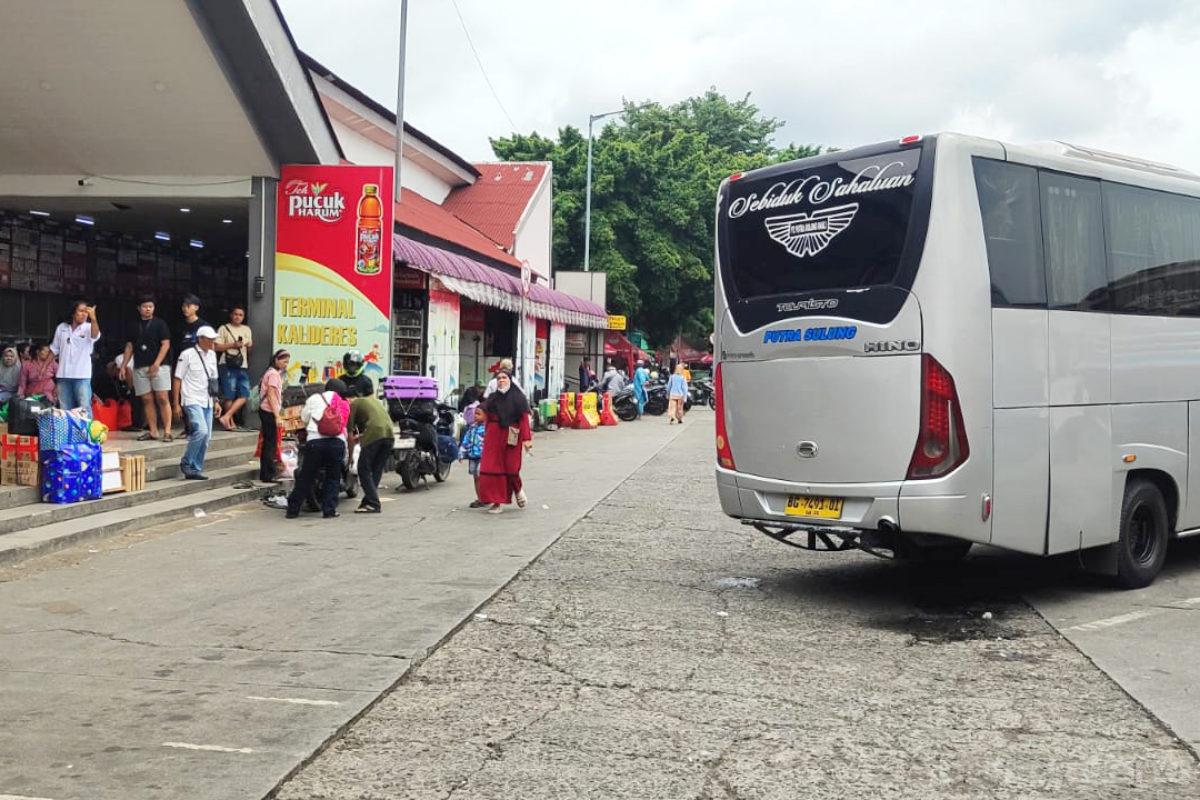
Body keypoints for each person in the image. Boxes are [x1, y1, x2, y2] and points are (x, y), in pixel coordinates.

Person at [286, 378, 350, 519]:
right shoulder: (344, 403)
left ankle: (293, 510)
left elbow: (304, 417)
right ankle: (329, 511)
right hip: (336, 443)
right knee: (333, 477)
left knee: (306, 477)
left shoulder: (315, 398)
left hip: (315, 442)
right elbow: (343, 424)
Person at [477, 370, 533, 514]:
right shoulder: (493, 398)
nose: (501, 380)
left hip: (511, 435)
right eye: (498, 378)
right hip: (493, 437)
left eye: (504, 377)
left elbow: (524, 420)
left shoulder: (518, 398)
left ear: (510, 379)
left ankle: (518, 489)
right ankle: (497, 502)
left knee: (511, 468)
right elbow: (485, 413)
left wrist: (527, 439)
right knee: (492, 468)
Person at [123, 295, 174, 442]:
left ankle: (168, 431)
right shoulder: (133, 325)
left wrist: (157, 363)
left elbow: (166, 344)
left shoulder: (160, 324)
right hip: (140, 365)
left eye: (151, 306)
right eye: (145, 306)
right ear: (139, 308)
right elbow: (130, 346)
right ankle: (153, 431)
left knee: (162, 397)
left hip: (160, 366)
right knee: (146, 399)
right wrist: (124, 365)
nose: (148, 309)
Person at [172, 325, 220, 479]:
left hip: (207, 400)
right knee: (201, 431)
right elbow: (177, 378)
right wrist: (176, 403)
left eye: (213, 339)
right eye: (210, 339)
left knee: (206, 437)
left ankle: (195, 468)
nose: (212, 341)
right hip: (191, 398)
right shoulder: (187, 354)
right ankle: (187, 462)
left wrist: (216, 401)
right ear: (201, 339)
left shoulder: (212, 355)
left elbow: (213, 380)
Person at [50, 300, 101, 415]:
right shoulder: (61, 327)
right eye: (81, 311)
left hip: (82, 376)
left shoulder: (89, 327)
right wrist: (43, 367)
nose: (84, 314)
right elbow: (54, 349)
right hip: (63, 376)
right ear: (73, 313)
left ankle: (86, 433)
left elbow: (95, 335)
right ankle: (70, 433)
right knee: (65, 410)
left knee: (84, 409)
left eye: (86, 312)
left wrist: (93, 318)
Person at [348, 393, 394, 513]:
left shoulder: (354, 404)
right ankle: (368, 501)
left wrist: (349, 457)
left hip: (375, 435)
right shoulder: (374, 402)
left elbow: (349, 433)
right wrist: (361, 436)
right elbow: (376, 424)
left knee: (363, 469)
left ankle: (373, 503)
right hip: (389, 435)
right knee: (376, 469)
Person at [214, 306, 253, 431]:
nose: (238, 317)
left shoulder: (246, 329)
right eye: (235, 314)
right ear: (231, 315)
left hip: (242, 364)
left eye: (241, 315)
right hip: (227, 364)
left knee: (244, 394)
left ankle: (227, 416)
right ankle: (230, 423)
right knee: (229, 395)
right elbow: (216, 347)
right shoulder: (223, 328)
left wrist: (248, 345)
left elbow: (249, 347)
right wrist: (233, 345)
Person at [257, 349, 289, 483]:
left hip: (266, 410)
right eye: (283, 361)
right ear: (276, 360)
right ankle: (268, 474)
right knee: (271, 443)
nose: (286, 364)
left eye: (287, 362)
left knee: (268, 442)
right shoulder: (274, 374)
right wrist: (277, 416)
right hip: (269, 411)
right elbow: (271, 395)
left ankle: (266, 473)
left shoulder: (270, 372)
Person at [460, 402, 486, 508]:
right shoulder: (472, 428)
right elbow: (466, 440)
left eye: (478, 414)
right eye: (475, 413)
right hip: (472, 457)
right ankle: (480, 499)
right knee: (476, 478)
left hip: (483, 458)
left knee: (481, 476)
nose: (475, 416)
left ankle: (486, 497)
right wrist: (461, 452)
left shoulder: (487, 429)